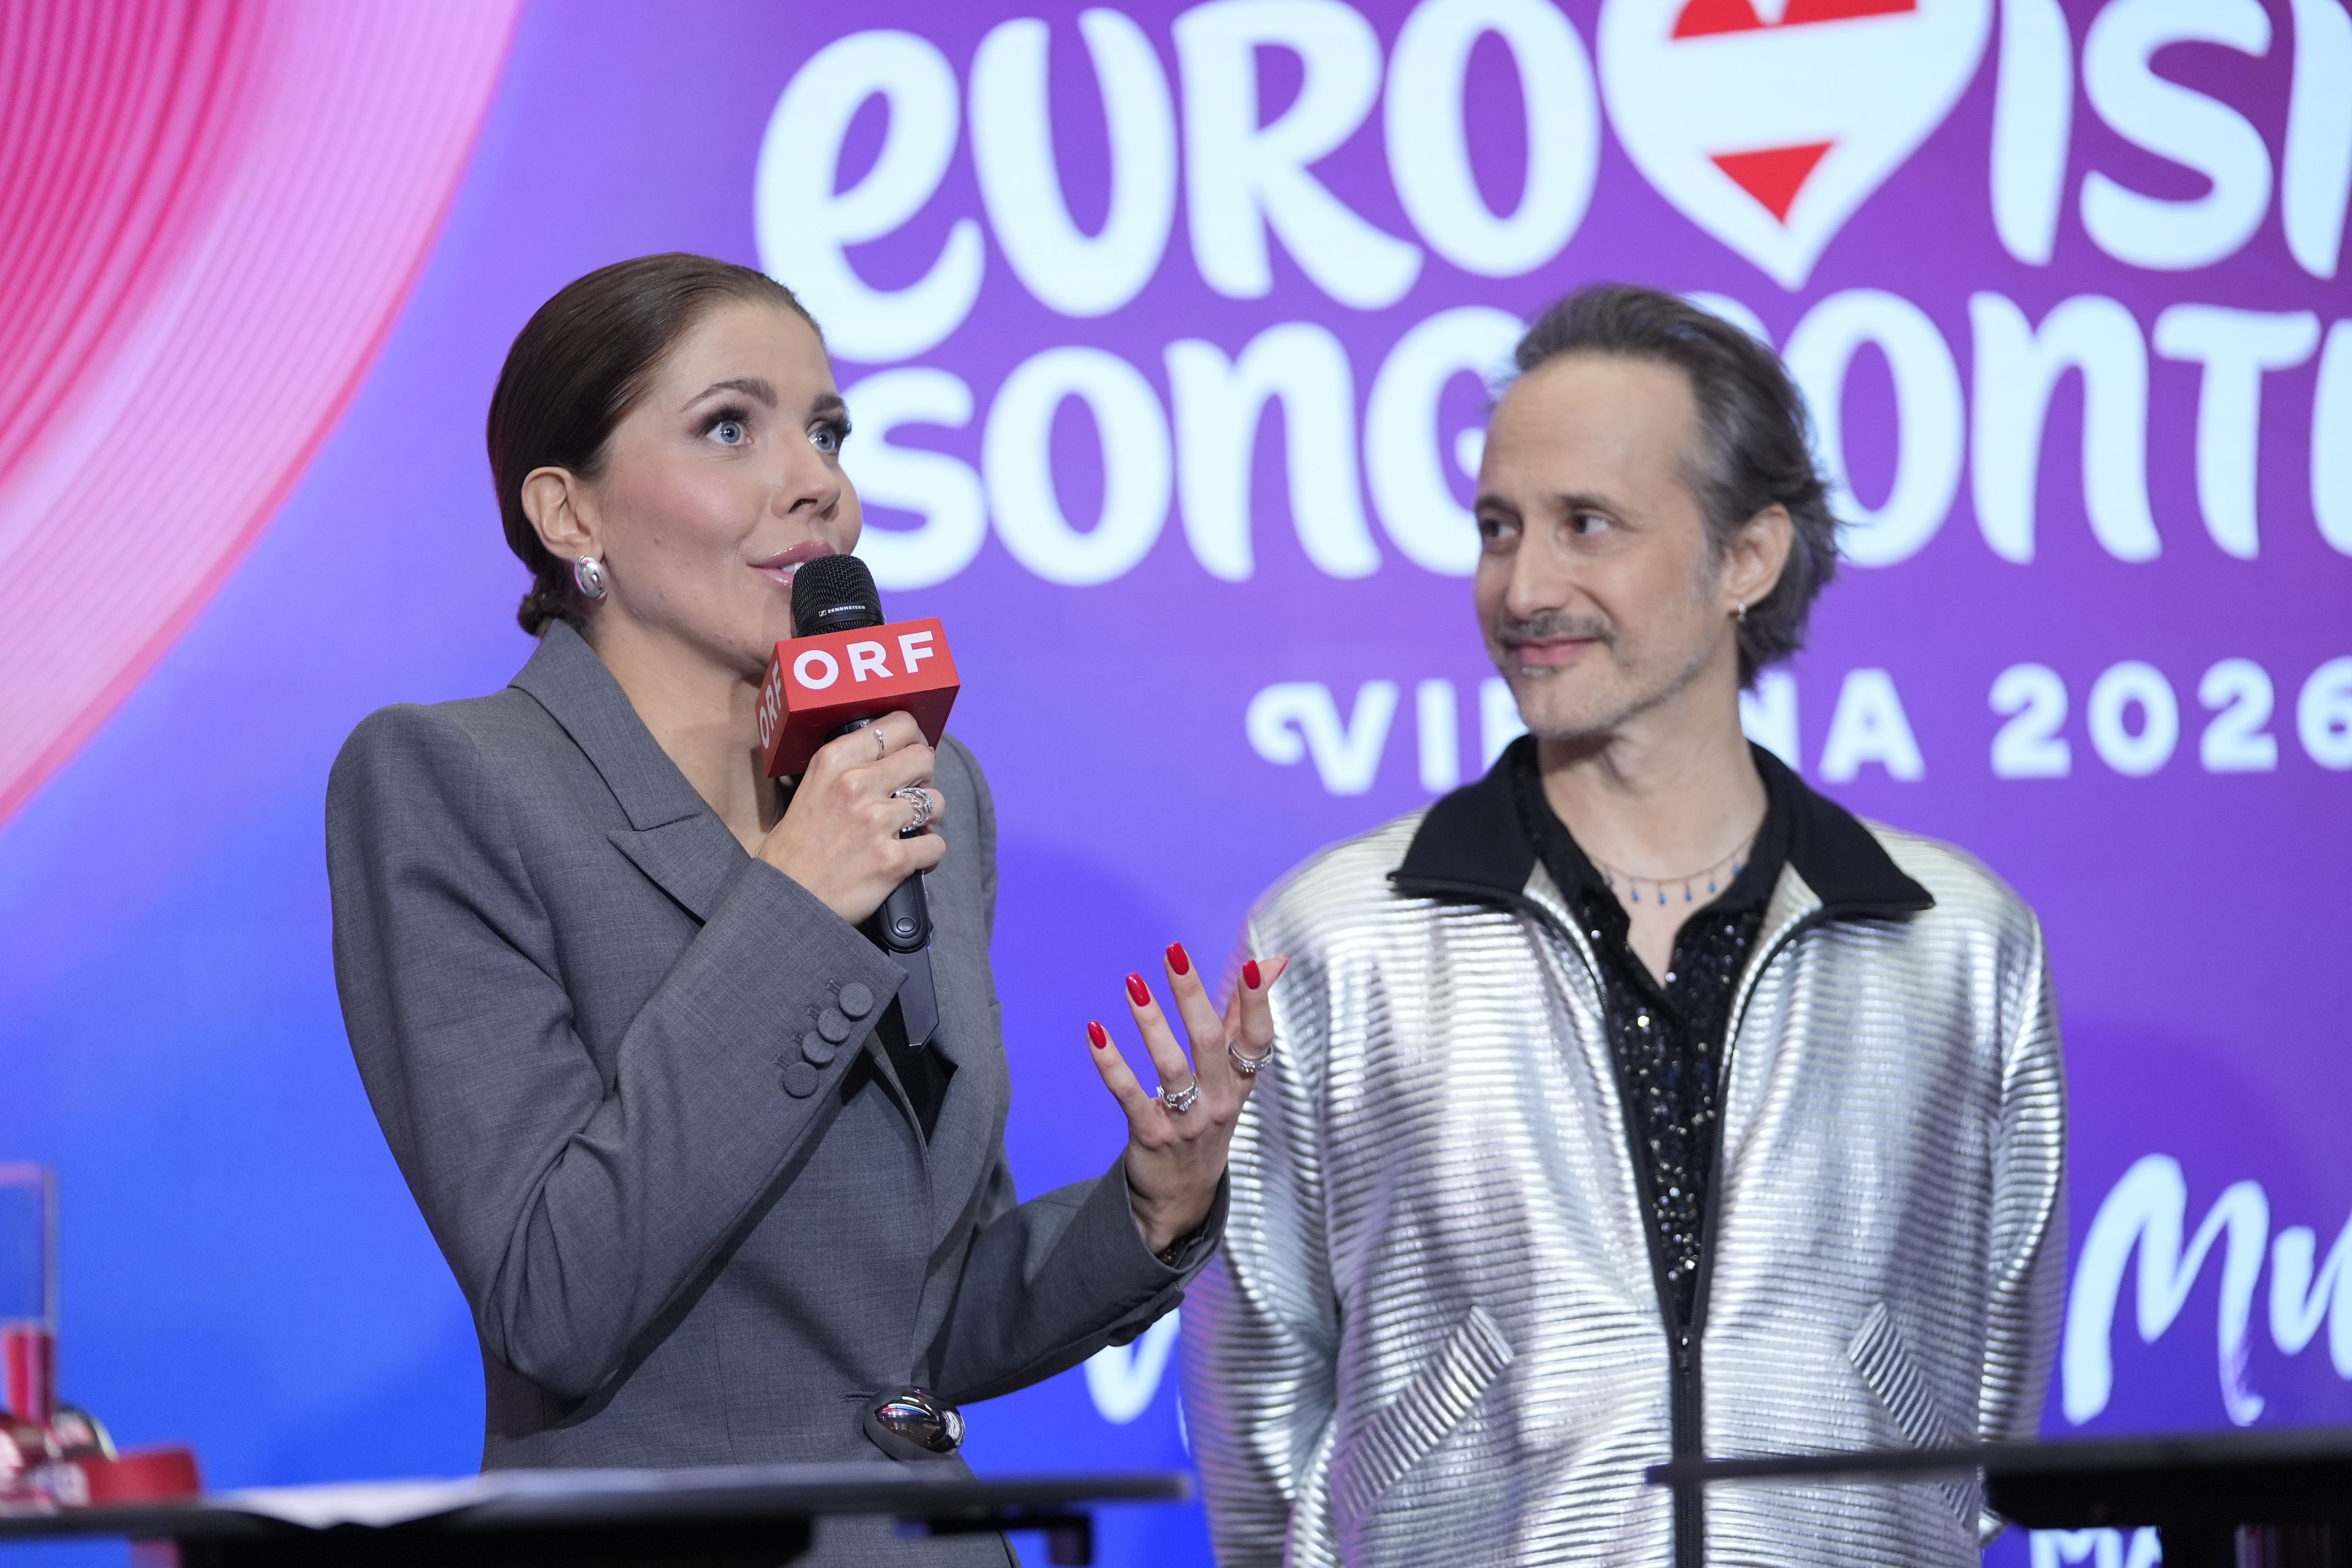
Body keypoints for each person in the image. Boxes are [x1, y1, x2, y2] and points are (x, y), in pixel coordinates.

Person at [325, 254, 1277, 1565]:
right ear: (569, 512)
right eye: (732, 425)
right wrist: (793, 901)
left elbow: (915, 1335)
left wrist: (1151, 1203)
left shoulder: (921, 783)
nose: (816, 479)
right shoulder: (453, 779)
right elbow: (554, 1297)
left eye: (826, 430)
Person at [1183, 285, 2066, 1567]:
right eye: (1497, 528)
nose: (1523, 585)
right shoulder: (1339, 936)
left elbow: (1989, 1404)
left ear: (1745, 557)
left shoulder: (1956, 943)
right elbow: (1258, 1402)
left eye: (1584, 525)